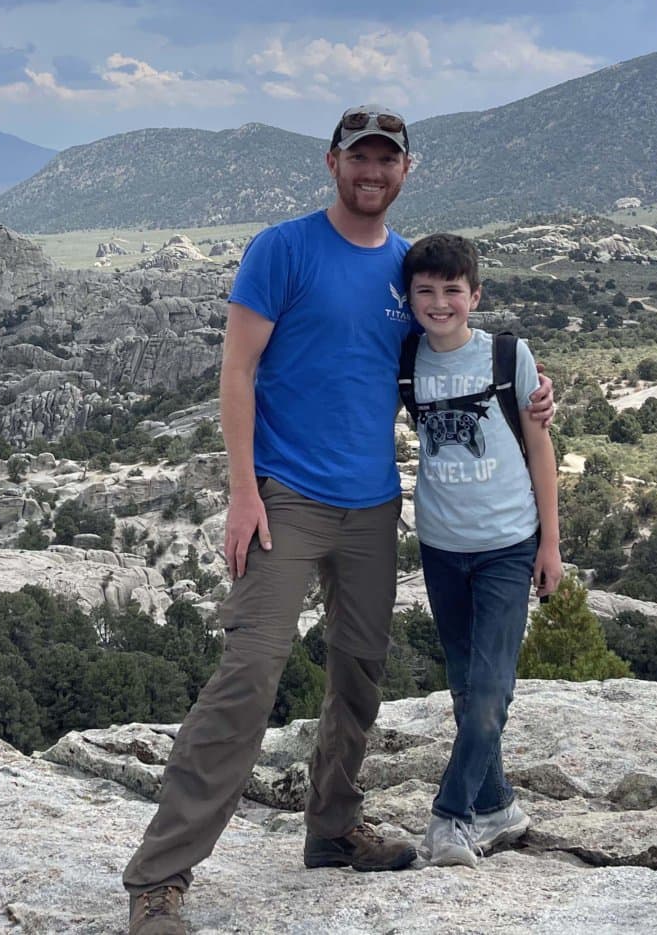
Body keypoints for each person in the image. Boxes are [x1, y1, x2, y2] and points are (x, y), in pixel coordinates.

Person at [124, 107, 555, 935]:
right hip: (285, 496)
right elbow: (237, 370)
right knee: (250, 674)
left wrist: (538, 396)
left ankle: (332, 825)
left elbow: (459, 353)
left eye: (387, 159)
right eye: (359, 156)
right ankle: (159, 876)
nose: (372, 170)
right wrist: (243, 489)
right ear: (332, 162)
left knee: (359, 672)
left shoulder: (410, 271)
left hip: (373, 504)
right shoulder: (282, 249)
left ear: (405, 171)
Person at [397, 233, 562, 867]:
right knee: (466, 690)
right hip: (440, 545)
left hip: (506, 545)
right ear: (409, 297)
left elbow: (540, 447)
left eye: (453, 290)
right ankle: (497, 807)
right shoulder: (405, 358)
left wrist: (551, 543)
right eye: (426, 291)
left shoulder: (507, 356)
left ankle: (450, 817)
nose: (440, 303)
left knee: (492, 689)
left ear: (476, 294)